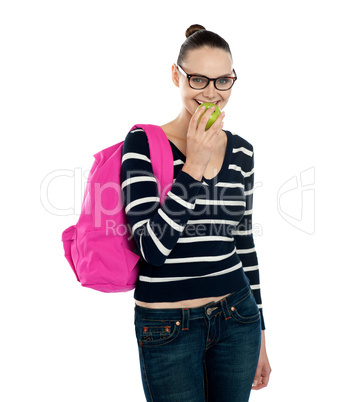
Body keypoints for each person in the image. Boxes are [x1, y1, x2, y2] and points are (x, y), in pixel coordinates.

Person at [120, 24, 271, 402]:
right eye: (199, 79)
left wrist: (262, 336)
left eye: (224, 81)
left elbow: (243, 242)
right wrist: (193, 166)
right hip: (167, 328)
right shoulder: (143, 143)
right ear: (177, 75)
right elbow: (151, 250)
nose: (212, 93)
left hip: (238, 320)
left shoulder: (243, 152)